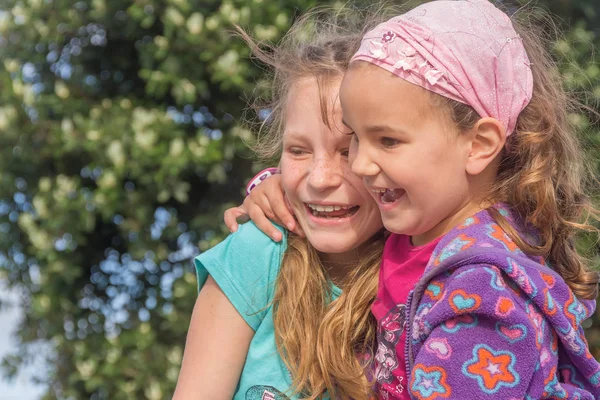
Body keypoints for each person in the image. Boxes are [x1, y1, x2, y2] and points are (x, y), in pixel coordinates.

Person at [229, 0, 600, 399]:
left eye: (388, 140)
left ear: (478, 144)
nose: (362, 164)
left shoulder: (484, 294)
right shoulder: (423, 234)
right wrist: (271, 187)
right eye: (356, 137)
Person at [173, 9, 392, 400]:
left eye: (347, 150)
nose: (320, 178)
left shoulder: (427, 274)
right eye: (298, 150)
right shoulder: (256, 254)